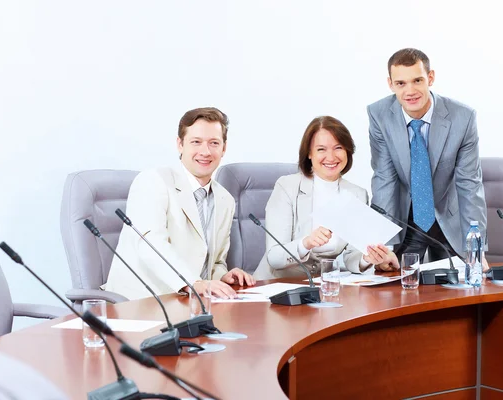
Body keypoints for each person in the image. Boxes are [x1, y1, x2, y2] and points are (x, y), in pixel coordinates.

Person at [105, 107, 255, 300]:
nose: (205, 151)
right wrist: (194, 283)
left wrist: (222, 276)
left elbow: (214, 260)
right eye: (196, 142)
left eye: (214, 143)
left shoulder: (224, 199)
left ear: (224, 148)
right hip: (142, 302)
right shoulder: (153, 182)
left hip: (191, 303)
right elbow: (151, 246)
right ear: (180, 144)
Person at [367, 48, 488, 265]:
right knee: (395, 286)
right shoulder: (379, 115)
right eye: (401, 83)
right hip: (408, 220)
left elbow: (470, 186)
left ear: (430, 78)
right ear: (390, 84)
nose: (410, 91)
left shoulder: (463, 118)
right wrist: (383, 245)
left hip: (449, 218)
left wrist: (476, 249)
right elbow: (384, 180)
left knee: (462, 288)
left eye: (417, 80)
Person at [254, 116, 399, 280]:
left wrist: (367, 258)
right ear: (309, 153)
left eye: (338, 147)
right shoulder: (287, 187)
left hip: (324, 286)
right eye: (321, 149)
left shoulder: (357, 193)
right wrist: (306, 243)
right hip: (277, 285)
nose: (331, 157)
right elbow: (274, 257)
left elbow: (351, 255)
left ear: (347, 151)